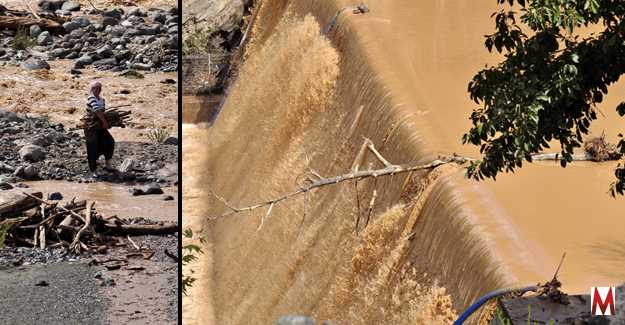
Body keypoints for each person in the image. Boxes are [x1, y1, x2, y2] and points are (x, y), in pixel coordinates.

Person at [84, 81, 115, 178]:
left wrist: (107, 123)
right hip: (91, 127)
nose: (97, 90)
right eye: (95, 88)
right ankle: (93, 170)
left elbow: (103, 112)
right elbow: (97, 111)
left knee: (110, 142)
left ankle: (108, 165)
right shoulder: (91, 98)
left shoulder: (102, 100)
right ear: (91, 89)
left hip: (100, 126)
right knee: (92, 147)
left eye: (98, 88)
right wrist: (105, 122)